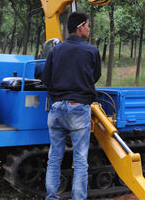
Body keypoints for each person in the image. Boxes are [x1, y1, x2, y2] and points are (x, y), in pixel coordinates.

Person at [41, 12, 101, 200]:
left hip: (57, 109)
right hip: (78, 108)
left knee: (54, 159)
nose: (89, 29)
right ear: (80, 26)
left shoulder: (55, 51)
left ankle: (51, 197)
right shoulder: (91, 51)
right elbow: (95, 77)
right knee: (80, 160)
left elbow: (46, 79)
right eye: (88, 26)